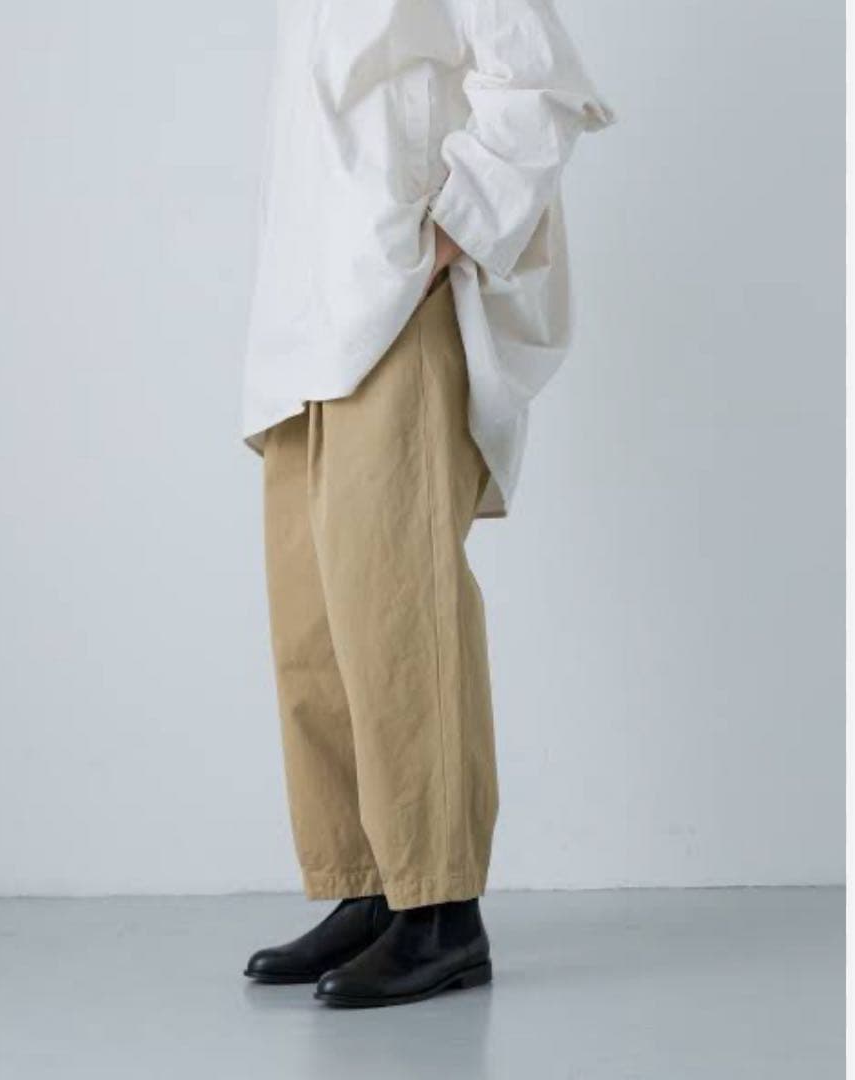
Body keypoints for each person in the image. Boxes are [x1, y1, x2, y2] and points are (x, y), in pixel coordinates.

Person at [241, 0, 614, 1009]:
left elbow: (539, 81)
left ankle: (441, 909)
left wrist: (448, 232)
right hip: (308, 314)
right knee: (317, 623)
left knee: (398, 607)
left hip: (395, 301)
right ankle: (372, 884)